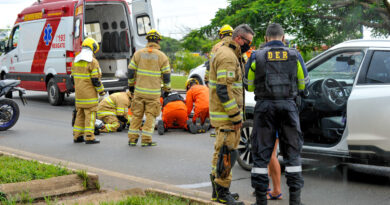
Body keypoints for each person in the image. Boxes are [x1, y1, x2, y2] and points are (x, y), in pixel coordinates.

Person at [245, 23, 309, 205]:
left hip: (264, 109)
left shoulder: (257, 56)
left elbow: (248, 85)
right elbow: (304, 85)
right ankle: (295, 201)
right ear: (283, 37)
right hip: (288, 108)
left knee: (261, 155)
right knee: (293, 155)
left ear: (266, 39)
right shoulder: (295, 55)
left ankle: (260, 201)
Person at [209, 24, 254, 205]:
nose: (249, 46)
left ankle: (218, 191)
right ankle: (222, 193)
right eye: (248, 42)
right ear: (239, 39)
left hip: (226, 115)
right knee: (227, 153)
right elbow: (223, 90)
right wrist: (236, 116)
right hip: (227, 116)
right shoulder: (227, 57)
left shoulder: (231, 53)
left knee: (221, 154)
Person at [127, 29, 171, 147]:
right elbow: (166, 76)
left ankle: (132, 139)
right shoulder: (162, 56)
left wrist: (131, 86)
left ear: (147, 40)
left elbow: (131, 72)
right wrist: (167, 90)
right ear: (158, 41)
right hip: (153, 93)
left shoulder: (138, 54)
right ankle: (146, 139)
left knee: (136, 115)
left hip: (139, 92)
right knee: (151, 115)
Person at [72, 37, 105, 144]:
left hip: (79, 96)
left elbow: (72, 78)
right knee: (90, 117)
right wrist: (102, 92)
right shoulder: (93, 61)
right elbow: (95, 80)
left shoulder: (76, 60)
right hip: (89, 96)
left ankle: (77, 136)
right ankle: (90, 137)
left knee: (80, 115)